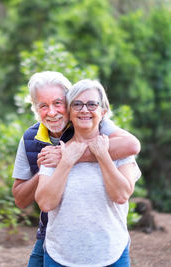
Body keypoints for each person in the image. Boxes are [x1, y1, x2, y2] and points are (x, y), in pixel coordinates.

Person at [12, 71, 140, 267]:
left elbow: (132, 145)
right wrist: (48, 167)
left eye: (57, 103)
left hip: (106, 244)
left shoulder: (93, 122)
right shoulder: (30, 139)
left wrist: (71, 155)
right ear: (36, 109)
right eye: (43, 106)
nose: (52, 112)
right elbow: (21, 199)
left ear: (68, 103)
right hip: (52, 233)